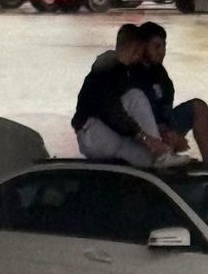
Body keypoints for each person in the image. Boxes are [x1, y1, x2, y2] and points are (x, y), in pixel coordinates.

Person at [71, 24, 190, 168]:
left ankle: (161, 156)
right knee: (135, 96)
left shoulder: (124, 70)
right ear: (135, 48)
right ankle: (162, 154)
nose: (141, 56)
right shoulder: (107, 68)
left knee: (150, 163)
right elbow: (113, 111)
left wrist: (162, 136)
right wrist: (146, 138)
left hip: (110, 136)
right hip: (92, 131)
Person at [130, 22, 208, 167]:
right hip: (139, 133)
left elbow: (165, 108)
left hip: (162, 127)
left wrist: (170, 132)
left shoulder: (161, 75)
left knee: (198, 107)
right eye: (156, 47)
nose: (162, 52)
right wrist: (160, 133)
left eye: (164, 47)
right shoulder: (132, 73)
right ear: (143, 46)